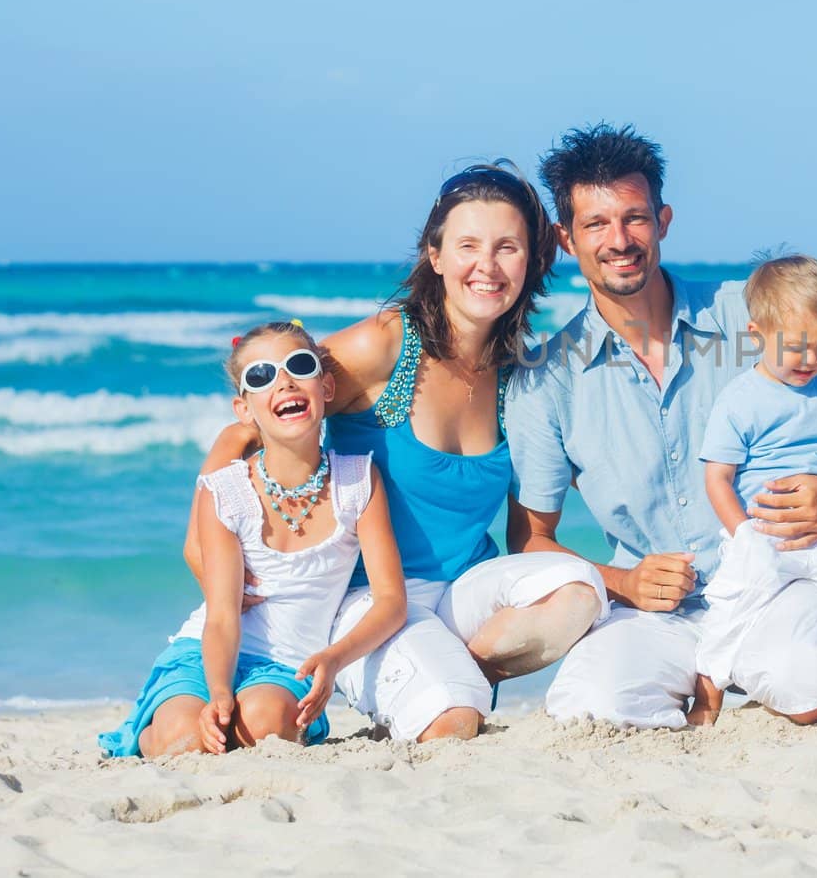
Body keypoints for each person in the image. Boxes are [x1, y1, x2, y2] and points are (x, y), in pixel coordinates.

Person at [186, 163, 607, 743]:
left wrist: (634, 576)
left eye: (507, 247)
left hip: (465, 594)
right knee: (453, 727)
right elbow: (254, 420)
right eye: (467, 246)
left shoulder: (521, 377)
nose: (486, 266)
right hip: (371, 602)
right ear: (435, 256)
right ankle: (434, 689)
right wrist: (204, 555)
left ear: (532, 262)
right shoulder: (384, 345)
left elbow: (538, 522)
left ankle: (458, 670)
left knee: (577, 592)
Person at [507, 124, 817, 729]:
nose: (619, 240)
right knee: (588, 709)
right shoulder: (545, 382)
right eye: (596, 224)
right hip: (651, 612)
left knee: (806, 684)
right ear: (566, 239)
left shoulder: (749, 312)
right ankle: (701, 680)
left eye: (635, 218)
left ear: (664, 220)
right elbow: (530, 542)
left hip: (773, 587)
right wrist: (623, 580)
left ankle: (787, 658)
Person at [102, 321, 407, 757]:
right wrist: (220, 692)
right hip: (206, 654)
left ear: (326, 387)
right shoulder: (225, 491)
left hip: (290, 664)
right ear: (244, 409)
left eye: (299, 366)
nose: (283, 381)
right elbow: (223, 617)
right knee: (184, 735)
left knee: (262, 722)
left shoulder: (358, 480)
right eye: (261, 376)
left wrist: (335, 658)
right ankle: (147, 733)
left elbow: (391, 601)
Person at [688, 255, 817, 726]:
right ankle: (708, 695)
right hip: (762, 532)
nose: (811, 360)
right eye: (798, 347)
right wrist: (742, 532)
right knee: (732, 608)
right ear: (756, 334)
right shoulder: (741, 400)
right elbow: (717, 477)